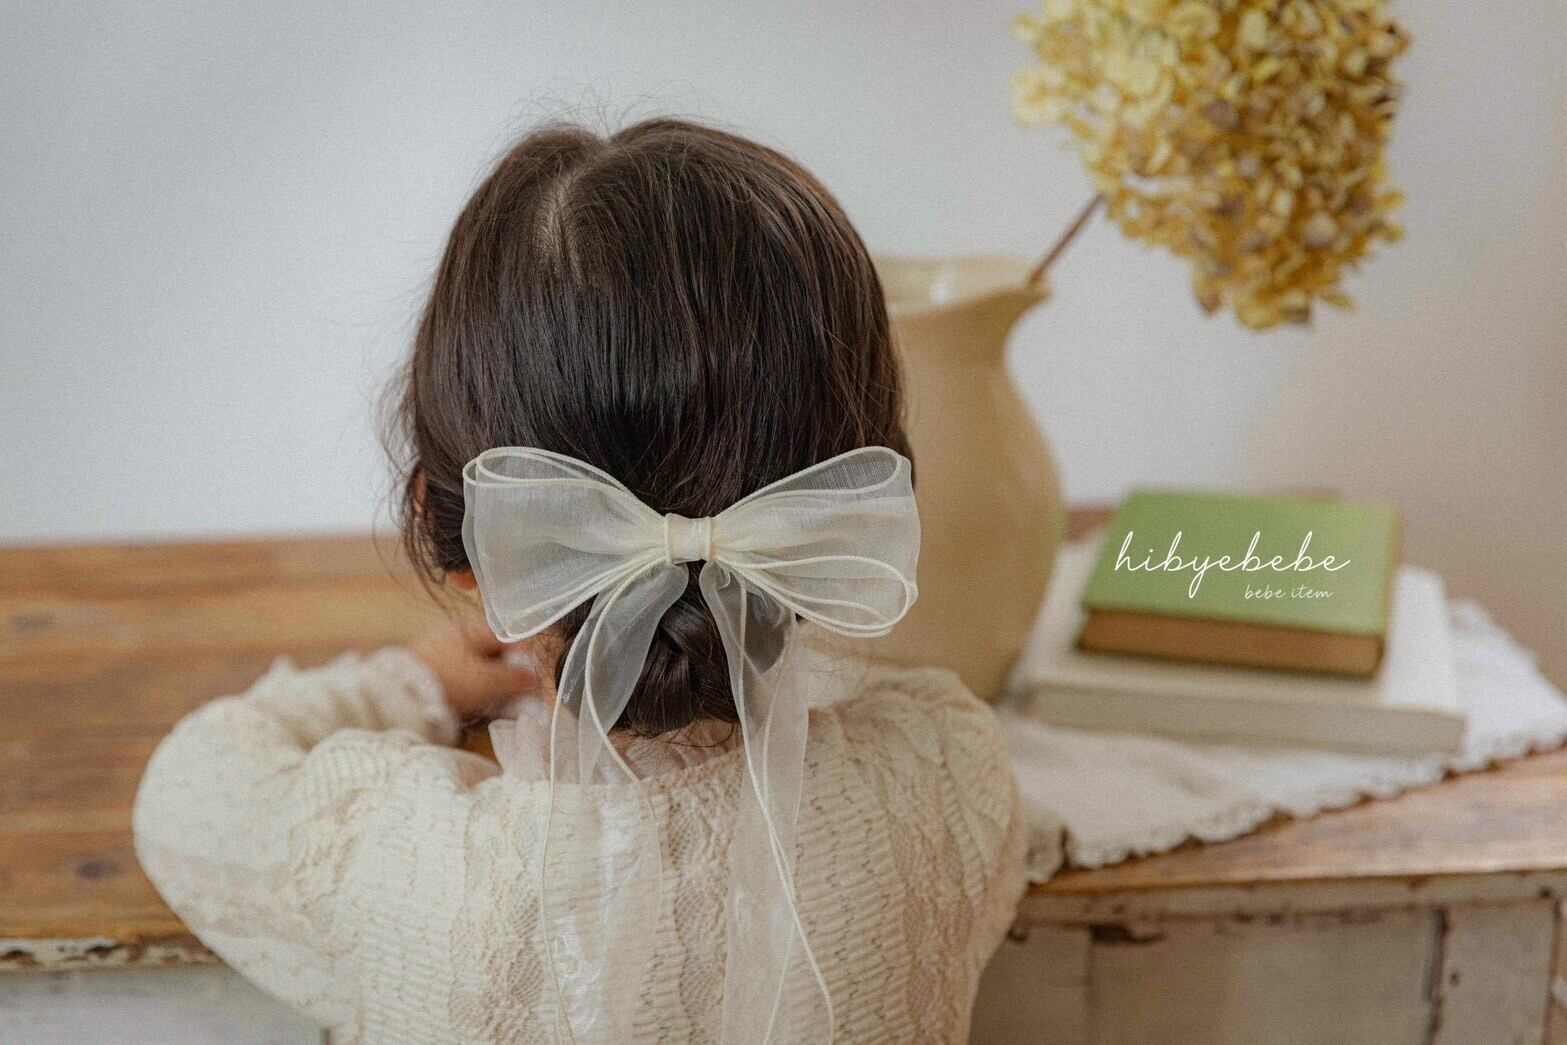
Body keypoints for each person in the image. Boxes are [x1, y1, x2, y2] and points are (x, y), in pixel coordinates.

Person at [134, 118, 1025, 1044]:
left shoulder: (395, 861)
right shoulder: (948, 773)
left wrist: (415, 683)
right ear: (848, 513)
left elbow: (192, 786)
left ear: (447, 526)